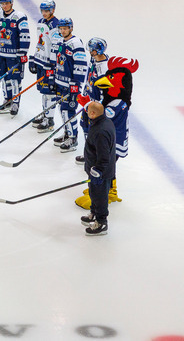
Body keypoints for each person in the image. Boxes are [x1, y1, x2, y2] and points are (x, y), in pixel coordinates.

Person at [0, 0, 30, 113]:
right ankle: (7, 100)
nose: (4, 6)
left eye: (6, 3)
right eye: (2, 4)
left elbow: (25, 36)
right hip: (1, 54)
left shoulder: (19, 17)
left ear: (11, 3)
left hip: (14, 56)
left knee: (15, 80)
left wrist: (22, 52)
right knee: (5, 79)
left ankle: (15, 102)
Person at [51, 16, 88, 151]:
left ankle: (73, 138)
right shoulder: (61, 41)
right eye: (61, 28)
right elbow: (58, 62)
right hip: (60, 83)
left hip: (70, 85)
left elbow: (81, 65)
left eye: (65, 28)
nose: (63, 31)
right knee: (62, 110)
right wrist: (55, 79)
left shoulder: (76, 44)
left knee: (68, 110)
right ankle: (67, 133)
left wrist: (76, 84)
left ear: (71, 28)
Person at [80, 101, 115, 235]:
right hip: (94, 169)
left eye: (88, 111)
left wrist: (99, 170)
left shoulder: (101, 131)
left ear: (93, 113)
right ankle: (94, 213)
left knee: (100, 197)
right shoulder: (102, 122)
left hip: (100, 173)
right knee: (93, 193)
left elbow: (104, 155)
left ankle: (101, 222)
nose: (86, 112)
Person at [29, 0, 61, 131]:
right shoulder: (41, 22)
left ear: (52, 10)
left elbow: (56, 46)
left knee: (50, 93)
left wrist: (52, 65)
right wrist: (34, 58)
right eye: (42, 10)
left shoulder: (56, 25)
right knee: (44, 91)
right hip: (41, 62)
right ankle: (45, 114)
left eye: (47, 11)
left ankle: (49, 120)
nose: (44, 13)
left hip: (49, 64)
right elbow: (40, 42)